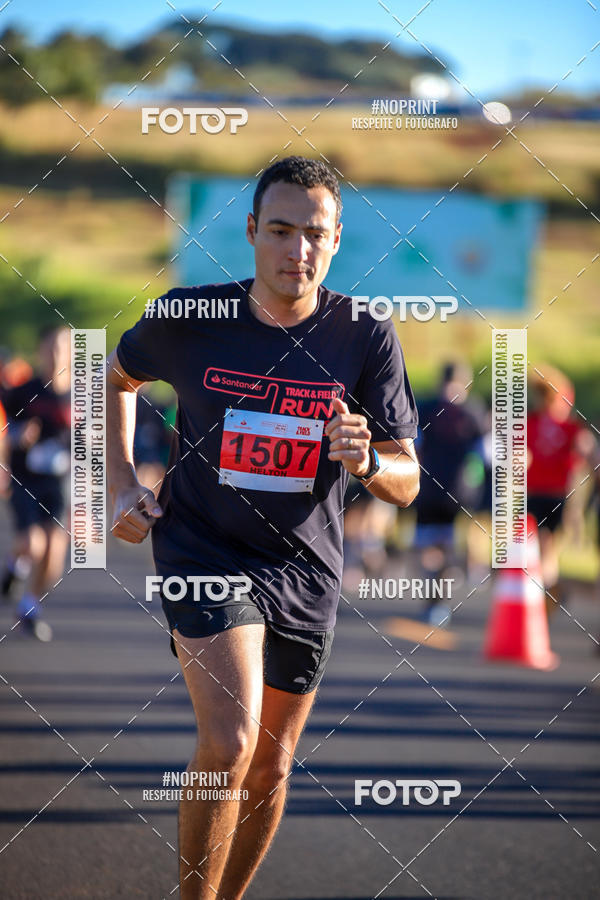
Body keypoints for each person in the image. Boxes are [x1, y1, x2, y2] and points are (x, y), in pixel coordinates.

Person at [107, 156, 419, 900]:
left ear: (336, 240)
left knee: (271, 766)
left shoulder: (365, 334)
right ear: (251, 231)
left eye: (314, 234)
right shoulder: (191, 319)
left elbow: (407, 479)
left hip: (306, 567)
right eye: (280, 230)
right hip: (203, 547)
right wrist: (118, 484)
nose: (296, 250)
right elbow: (112, 376)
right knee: (231, 742)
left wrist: (369, 460)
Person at [1, 327, 71, 639]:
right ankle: (15, 566)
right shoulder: (23, 390)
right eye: (51, 347)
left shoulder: (81, 395)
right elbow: (5, 429)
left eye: (63, 347)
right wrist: (18, 436)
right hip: (25, 479)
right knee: (33, 543)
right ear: (41, 350)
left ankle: (29, 606)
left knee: (54, 555)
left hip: (60, 482)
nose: (57, 354)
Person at [413, 361, 487, 625]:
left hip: (434, 489)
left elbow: (413, 446)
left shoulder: (426, 408)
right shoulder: (472, 411)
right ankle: (438, 597)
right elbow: (485, 454)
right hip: (449, 491)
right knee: (440, 546)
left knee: (433, 546)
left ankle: (435, 598)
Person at [527, 367, 594, 613]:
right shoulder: (569, 427)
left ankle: (546, 587)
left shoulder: (535, 423)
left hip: (542, 492)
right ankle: (548, 586)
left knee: (543, 542)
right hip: (550, 492)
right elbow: (587, 453)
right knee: (546, 543)